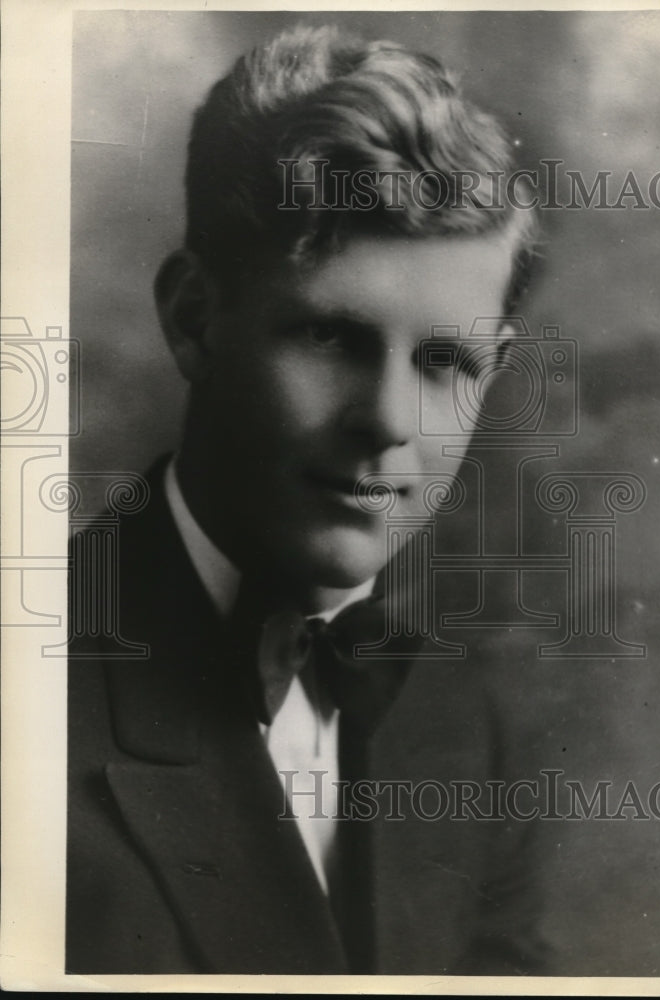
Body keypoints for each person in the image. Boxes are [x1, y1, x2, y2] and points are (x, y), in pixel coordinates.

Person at [66, 24, 550, 976]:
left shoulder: (460, 718)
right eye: (331, 339)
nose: (387, 423)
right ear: (195, 319)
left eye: (446, 361)